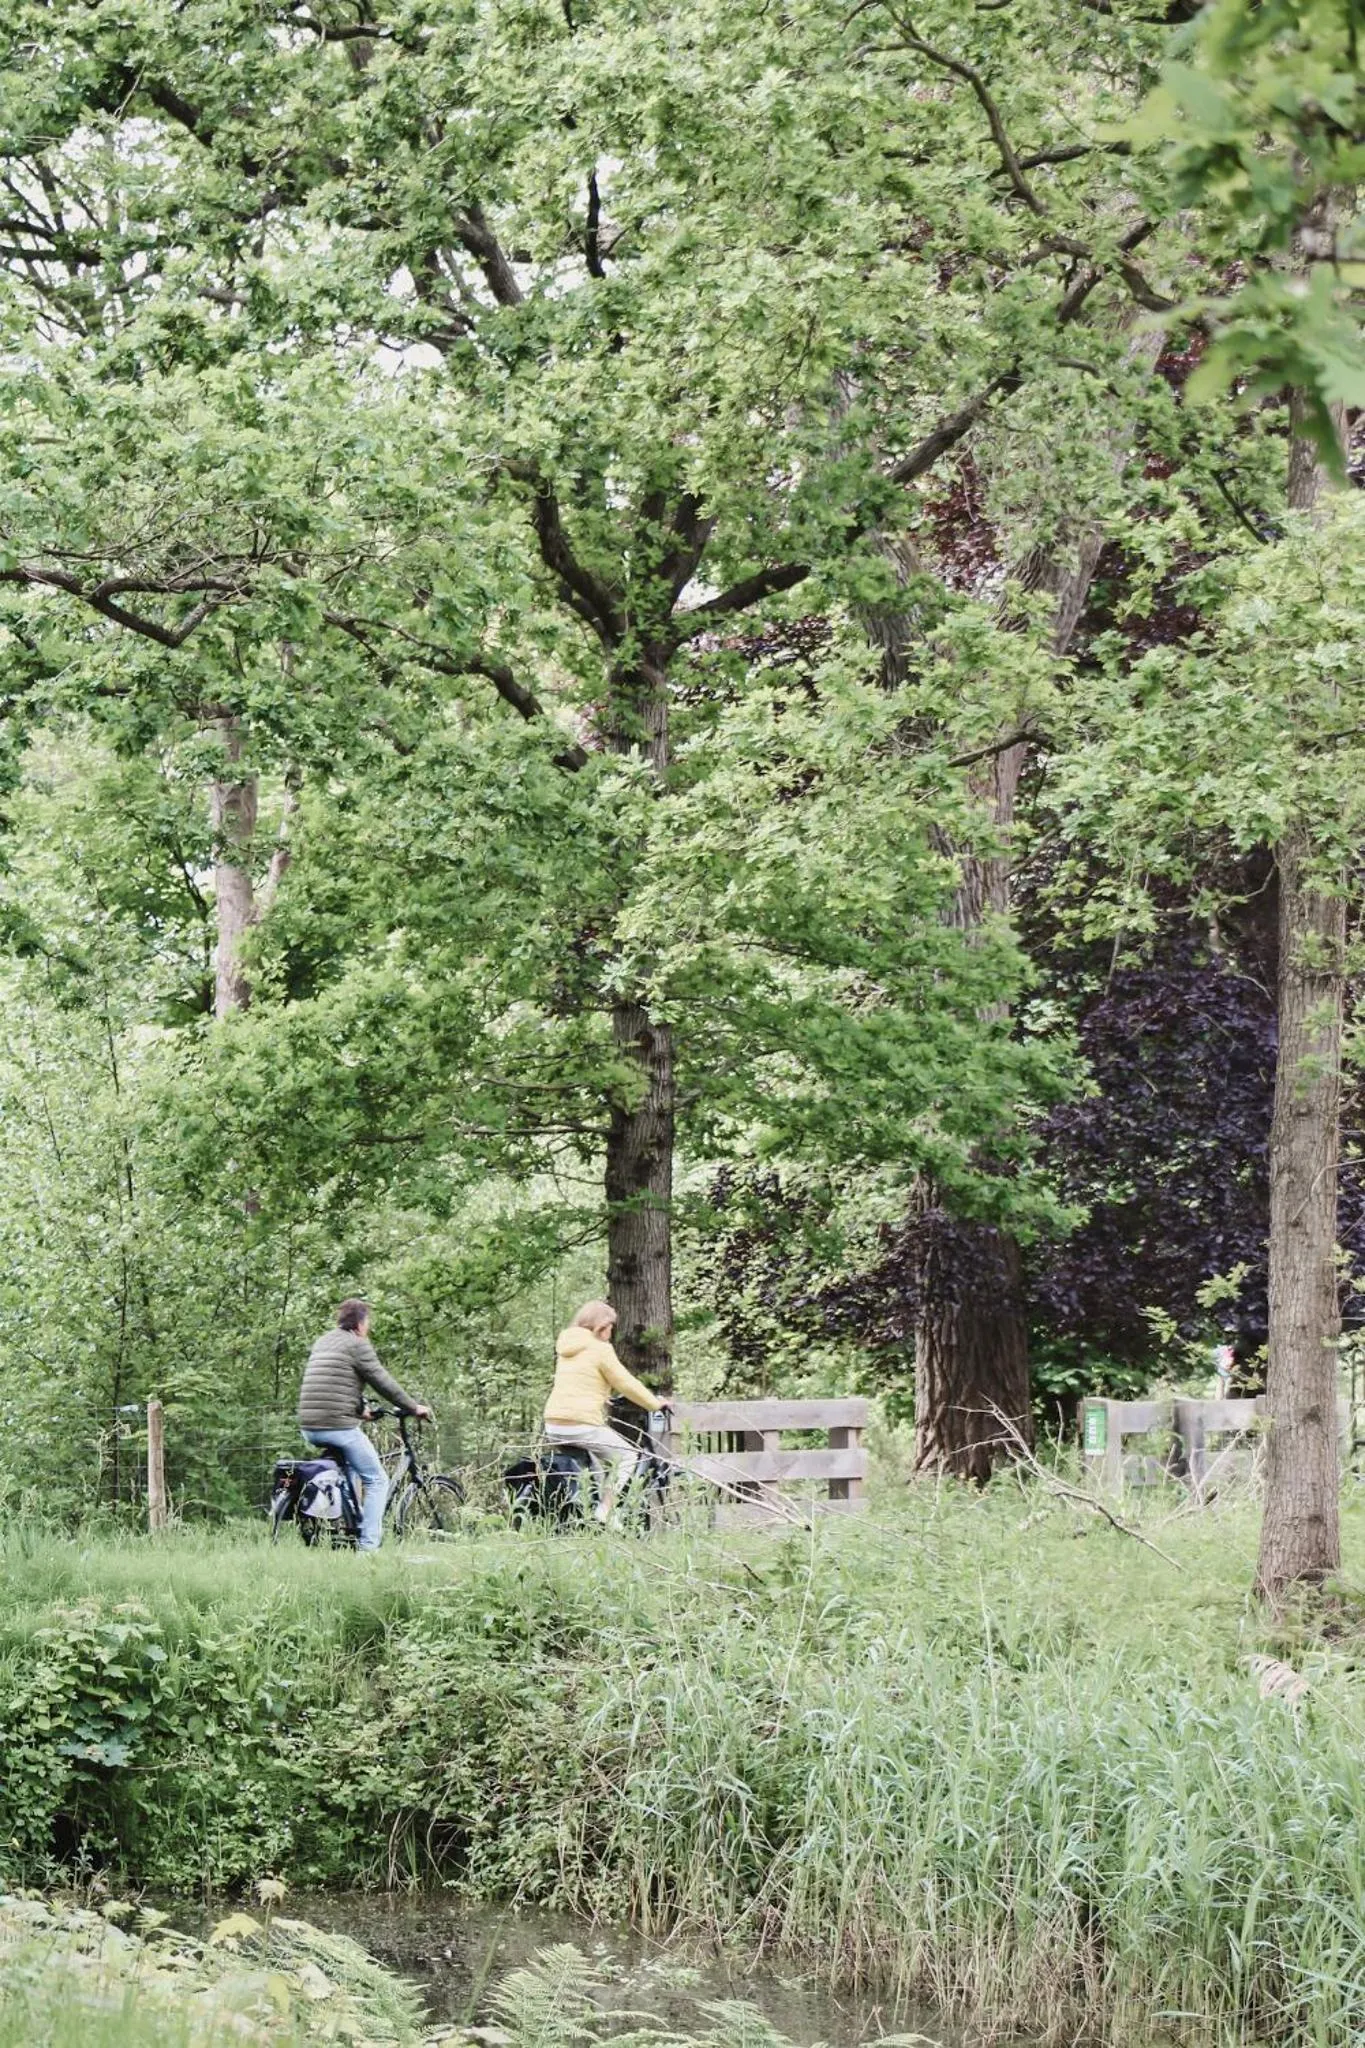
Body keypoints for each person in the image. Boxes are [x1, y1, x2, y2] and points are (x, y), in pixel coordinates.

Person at [297, 1299, 432, 1552]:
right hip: (337, 1425)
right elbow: (382, 1381)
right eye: (367, 1322)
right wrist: (414, 1408)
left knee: (354, 1469)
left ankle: (349, 1524)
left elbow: (336, 1382)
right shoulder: (358, 1344)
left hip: (308, 1425)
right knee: (377, 1480)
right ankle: (369, 1549)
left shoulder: (324, 1341)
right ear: (360, 1323)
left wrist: (361, 1411)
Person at [543, 1299, 666, 1526]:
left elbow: (580, 1380)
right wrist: (654, 1404)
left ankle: (591, 1520)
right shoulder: (600, 1349)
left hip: (553, 1423)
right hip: (579, 1423)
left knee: (597, 1468)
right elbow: (625, 1382)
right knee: (627, 1456)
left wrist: (601, 1394)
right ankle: (606, 1512)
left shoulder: (567, 1347)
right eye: (610, 1326)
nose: (611, 1331)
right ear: (599, 1326)